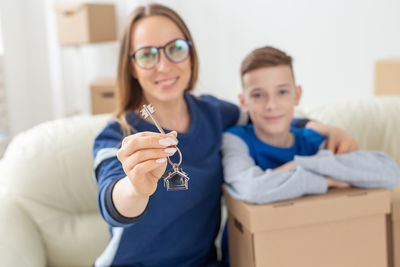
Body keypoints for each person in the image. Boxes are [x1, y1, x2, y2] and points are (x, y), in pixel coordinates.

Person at [93, 4, 359, 266]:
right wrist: (135, 188)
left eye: (175, 49)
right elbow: (112, 204)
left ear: (191, 54)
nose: (164, 66)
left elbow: (267, 119)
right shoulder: (117, 135)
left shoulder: (217, 115)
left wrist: (322, 128)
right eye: (147, 55)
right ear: (131, 67)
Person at [220, 46, 400, 265]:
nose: (271, 105)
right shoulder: (235, 139)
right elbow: (252, 187)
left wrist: (295, 165)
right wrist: (326, 180)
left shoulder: (312, 139)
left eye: (282, 92)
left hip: (312, 249)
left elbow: (389, 172)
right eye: (258, 95)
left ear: (297, 95)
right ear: (243, 101)